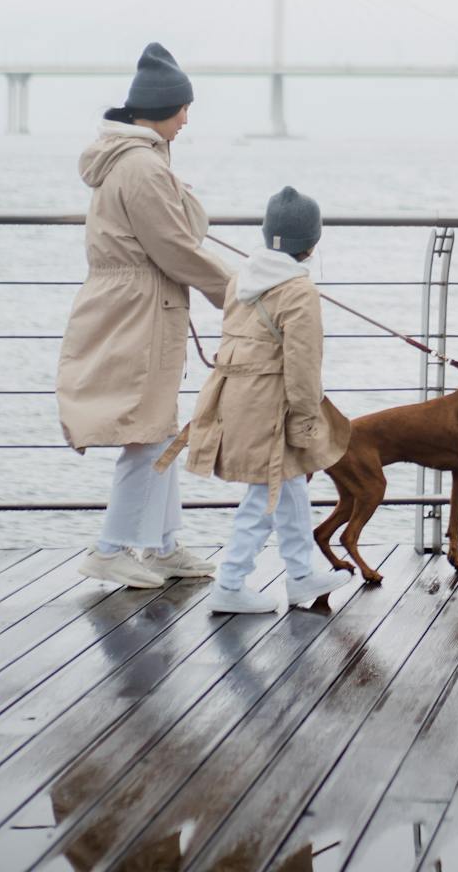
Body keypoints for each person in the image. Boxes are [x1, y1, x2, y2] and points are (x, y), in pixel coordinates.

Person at [57, 42, 231, 589]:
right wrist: (239, 296)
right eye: (183, 109)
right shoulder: (141, 167)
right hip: (139, 309)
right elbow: (177, 247)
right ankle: (110, 548)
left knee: (155, 427)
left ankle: (161, 545)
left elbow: (176, 236)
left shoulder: (139, 162)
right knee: (147, 431)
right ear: (163, 107)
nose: (186, 121)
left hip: (137, 305)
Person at [156, 185, 353, 612]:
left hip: (235, 397)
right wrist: (306, 420)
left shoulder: (241, 279)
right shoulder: (300, 292)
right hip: (271, 404)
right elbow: (303, 366)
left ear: (267, 236)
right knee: (264, 496)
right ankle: (229, 584)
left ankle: (301, 576)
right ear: (311, 244)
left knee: (291, 486)